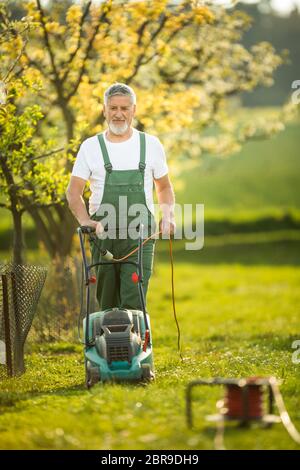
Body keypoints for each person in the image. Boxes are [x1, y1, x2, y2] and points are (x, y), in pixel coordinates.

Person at [66, 83, 175, 311]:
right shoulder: (90, 147)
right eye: (113, 108)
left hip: (140, 236)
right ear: (104, 110)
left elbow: (164, 187)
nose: (118, 114)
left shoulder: (151, 145)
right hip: (102, 236)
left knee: (133, 299)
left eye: (124, 108)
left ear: (134, 110)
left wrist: (168, 216)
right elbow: (73, 192)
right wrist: (85, 221)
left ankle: (134, 344)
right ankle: (109, 345)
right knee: (106, 302)